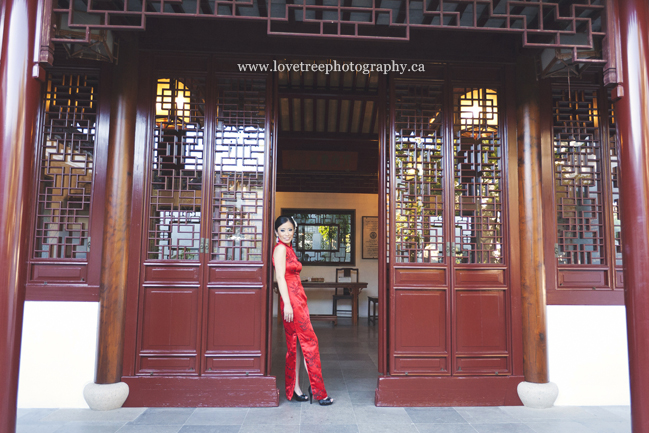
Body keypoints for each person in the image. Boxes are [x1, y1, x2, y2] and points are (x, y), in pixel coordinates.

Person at [273, 215, 334, 405]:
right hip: (292, 302)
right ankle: (319, 392)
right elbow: (281, 278)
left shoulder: (289, 249)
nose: (286, 233)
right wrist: (288, 304)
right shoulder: (281, 249)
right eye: (282, 230)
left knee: (297, 344)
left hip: (299, 300)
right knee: (309, 342)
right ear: (276, 232)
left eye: (290, 229)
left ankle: (296, 389)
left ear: (294, 230)